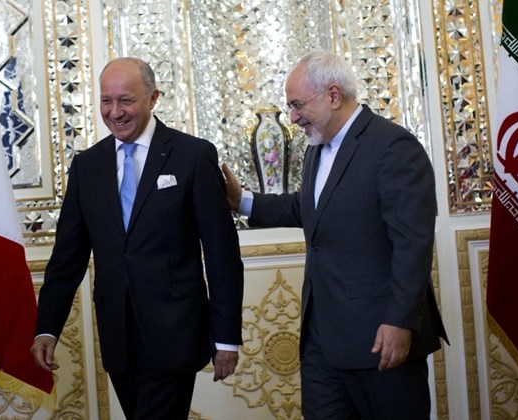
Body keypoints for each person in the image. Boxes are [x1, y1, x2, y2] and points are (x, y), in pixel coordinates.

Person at [222, 50, 448, 419]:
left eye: (297, 105)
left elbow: (413, 243)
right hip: (322, 340)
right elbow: (309, 207)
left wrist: (399, 321)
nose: (292, 117)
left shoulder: (393, 147)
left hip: (381, 338)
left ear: (332, 95)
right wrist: (242, 201)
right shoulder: (317, 148)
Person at [31, 57, 244, 419]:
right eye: (106, 101)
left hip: (176, 332)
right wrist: (47, 327)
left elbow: (221, 253)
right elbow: (67, 258)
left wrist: (226, 336)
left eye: (126, 100)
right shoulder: (87, 167)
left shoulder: (193, 156)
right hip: (118, 338)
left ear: (153, 98)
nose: (115, 112)